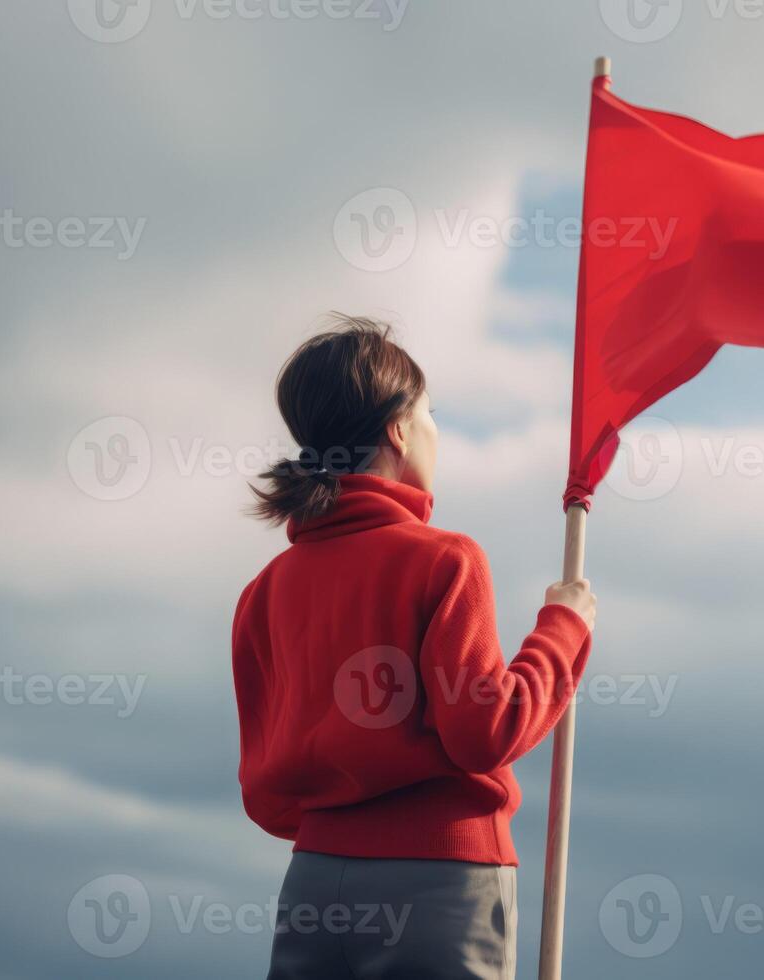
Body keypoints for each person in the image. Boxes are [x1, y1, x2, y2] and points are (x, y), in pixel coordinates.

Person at [231, 315, 596, 979]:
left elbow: (265, 791)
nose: (435, 433)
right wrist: (563, 627)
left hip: (312, 885)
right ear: (399, 429)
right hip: (439, 882)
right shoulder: (445, 560)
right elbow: (485, 732)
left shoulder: (264, 590)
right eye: (430, 415)